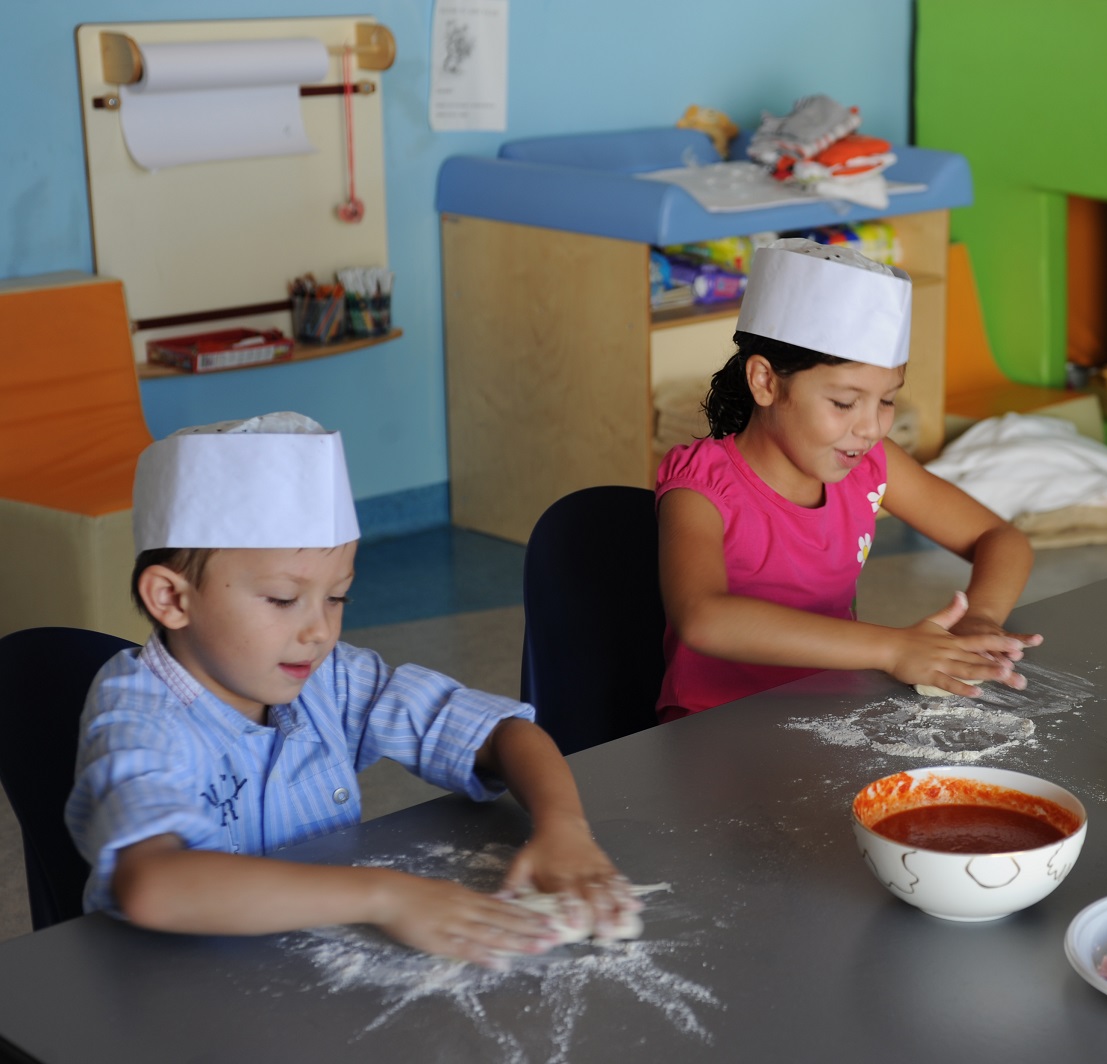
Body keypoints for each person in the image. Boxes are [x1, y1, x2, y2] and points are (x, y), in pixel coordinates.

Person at [67, 413, 635, 969]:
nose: (320, 631)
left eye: (337, 598)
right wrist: (386, 896)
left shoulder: (330, 677)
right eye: (284, 600)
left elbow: (500, 732)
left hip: (303, 975)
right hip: (171, 998)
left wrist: (564, 828)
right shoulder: (137, 716)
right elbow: (153, 885)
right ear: (172, 598)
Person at [656, 239, 1042, 722]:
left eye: (886, 400)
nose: (870, 427)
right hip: (711, 726)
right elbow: (704, 618)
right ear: (766, 382)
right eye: (844, 402)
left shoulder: (872, 465)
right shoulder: (702, 485)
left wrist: (980, 617)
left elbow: (1000, 538)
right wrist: (894, 648)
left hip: (835, 711)